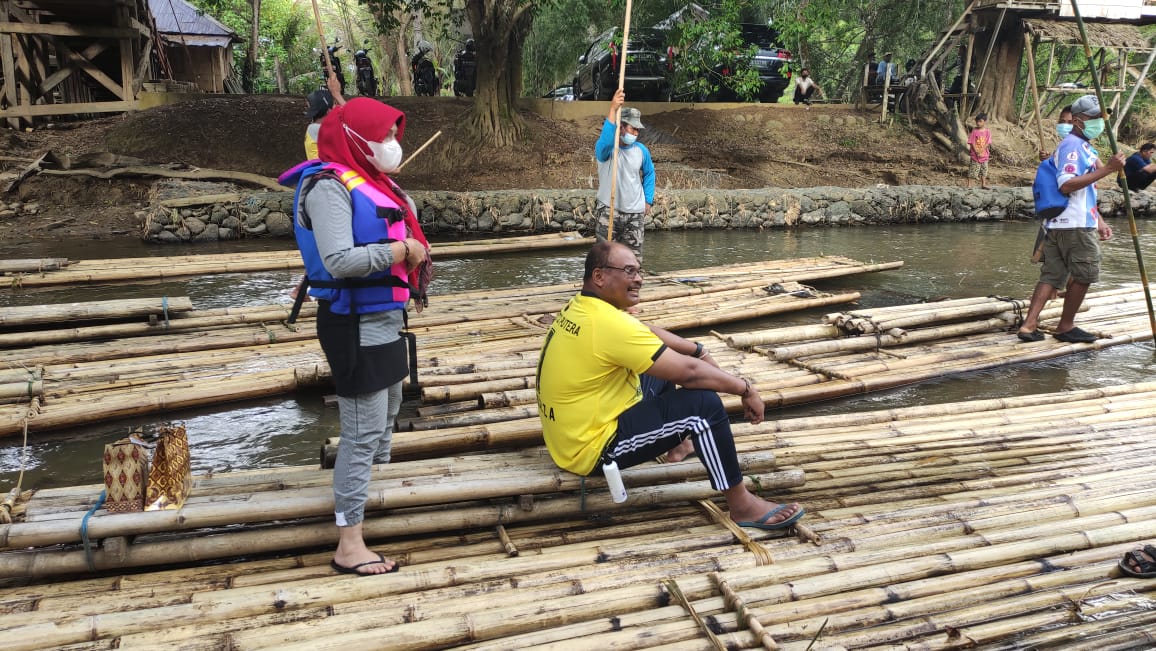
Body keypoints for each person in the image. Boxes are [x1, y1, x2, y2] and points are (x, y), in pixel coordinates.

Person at [535, 241, 806, 531]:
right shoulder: (607, 325)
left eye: (639, 272)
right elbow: (690, 374)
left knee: (659, 367)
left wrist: (697, 349)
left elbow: (646, 333)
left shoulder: (583, 307)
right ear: (599, 277)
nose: (638, 279)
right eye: (628, 271)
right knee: (704, 405)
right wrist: (745, 389)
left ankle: (678, 446)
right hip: (592, 450)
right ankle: (742, 506)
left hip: (567, 435)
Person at [280, 97, 432, 575]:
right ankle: (348, 544)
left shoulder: (373, 182)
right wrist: (402, 248)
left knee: (387, 417)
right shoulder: (328, 188)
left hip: (386, 319)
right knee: (362, 431)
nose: (391, 145)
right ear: (354, 139)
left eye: (393, 136)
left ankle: (373, 507)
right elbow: (339, 262)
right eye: (383, 137)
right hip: (354, 322)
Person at [1016, 94, 1124, 344]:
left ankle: (1029, 325)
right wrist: (1107, 169)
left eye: (1101, 117)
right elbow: (1066, 185)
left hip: (1063, 223)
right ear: (1078, 121)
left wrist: (1099, 221)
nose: (1099, 121)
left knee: (1052, 275)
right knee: (1085, 274)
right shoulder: (1073, 146)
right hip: (1074, 226)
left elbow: (1086, 192)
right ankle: (1066, 326)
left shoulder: (1083, 146)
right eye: (1094, 117)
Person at [594, 89, 655, 261]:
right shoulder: (606, 149)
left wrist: (648, 200)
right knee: (605, 259)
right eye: (632, 128)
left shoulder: (641, 150)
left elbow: (649, 173)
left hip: (635, 214)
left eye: (637, 130)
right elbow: (605, 140)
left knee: (632, 262)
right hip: (609, 210)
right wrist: (613, 109)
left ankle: (629, 288)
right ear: (621, 127)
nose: (635, 133)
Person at [304, 75, 345, 160]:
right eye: (334, 104)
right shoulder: (317, 129)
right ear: (328, 111)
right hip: (327, 170)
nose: (336, 106)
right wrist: (337, 94)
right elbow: (354, 122)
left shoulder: (315, 127)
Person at [967, 113, 992, 189]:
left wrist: (981, 150)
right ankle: (969, 185)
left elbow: (988, 142)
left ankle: (983, 184)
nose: (978, 123)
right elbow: (971, 142)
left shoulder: (987, 132)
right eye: (977, 121)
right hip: (975, 155)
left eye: (980, 121)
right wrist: (977, 151)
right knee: (973, 169)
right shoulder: (974, 131)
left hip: (984, 155)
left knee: (984, 170)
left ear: (984, 122)